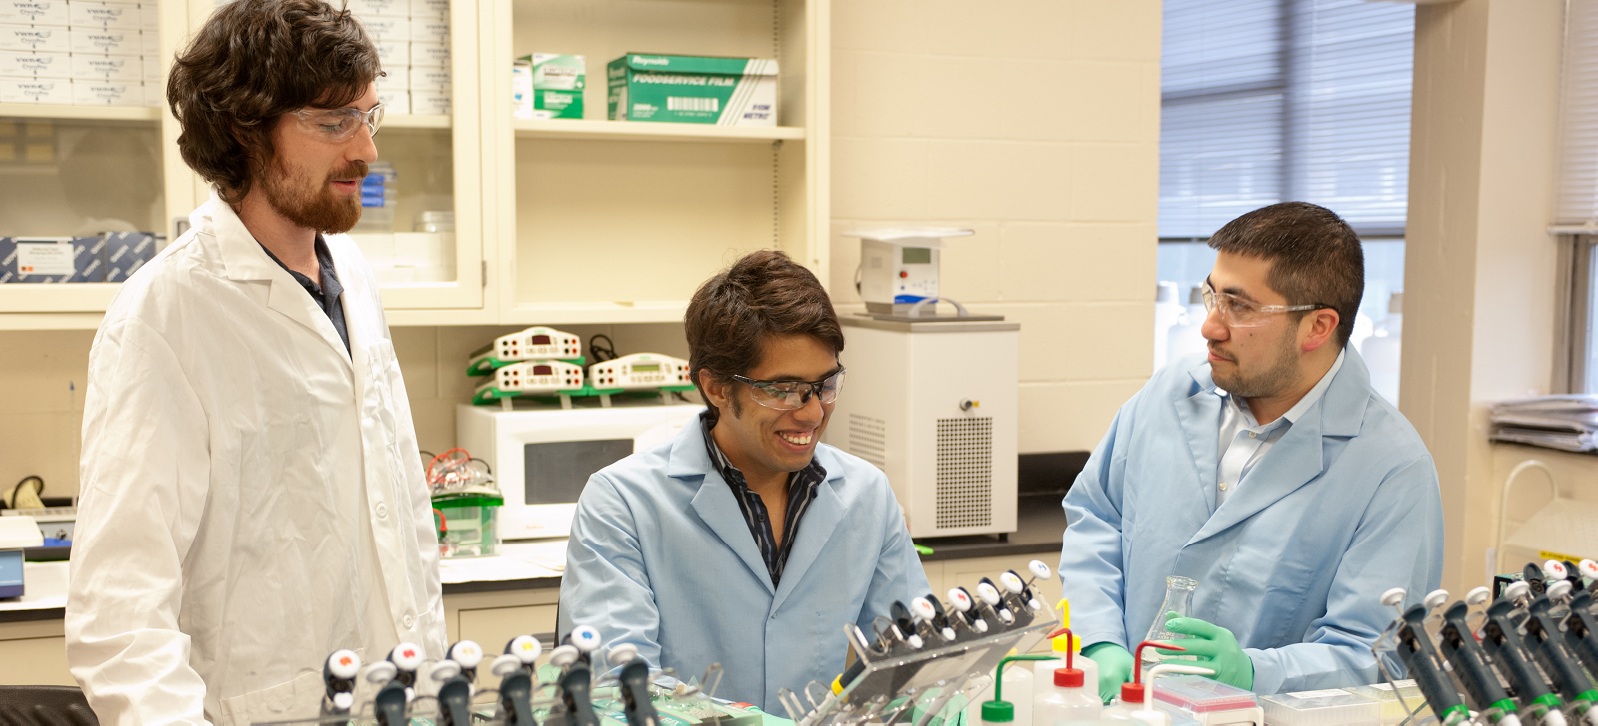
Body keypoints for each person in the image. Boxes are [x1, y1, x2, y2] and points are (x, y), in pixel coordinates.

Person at [65, 1, 445, 722]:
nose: (365, 150)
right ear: (245, 130)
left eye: (370, 116)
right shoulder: (166, 313)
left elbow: (399, 513)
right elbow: (119, 615)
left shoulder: (352, 275)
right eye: (335, 123)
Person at [1059, 202, 1443, 699]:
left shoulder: (1391, 468)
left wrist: (1256, 674)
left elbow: (1373, 652)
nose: (1210, 327)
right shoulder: (1170, 395)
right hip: (1133, 710)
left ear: (1318, 327)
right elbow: (1096, 520)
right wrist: (1100, 641)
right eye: (1212, 296)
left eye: (1239, 307)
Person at [559, 250, 931, 710]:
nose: (813, 412)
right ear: (715, 386)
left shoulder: (865, 493)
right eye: (783, 389)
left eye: (826, 385)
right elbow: (617, 689)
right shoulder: (623, 502)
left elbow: (916, 659)